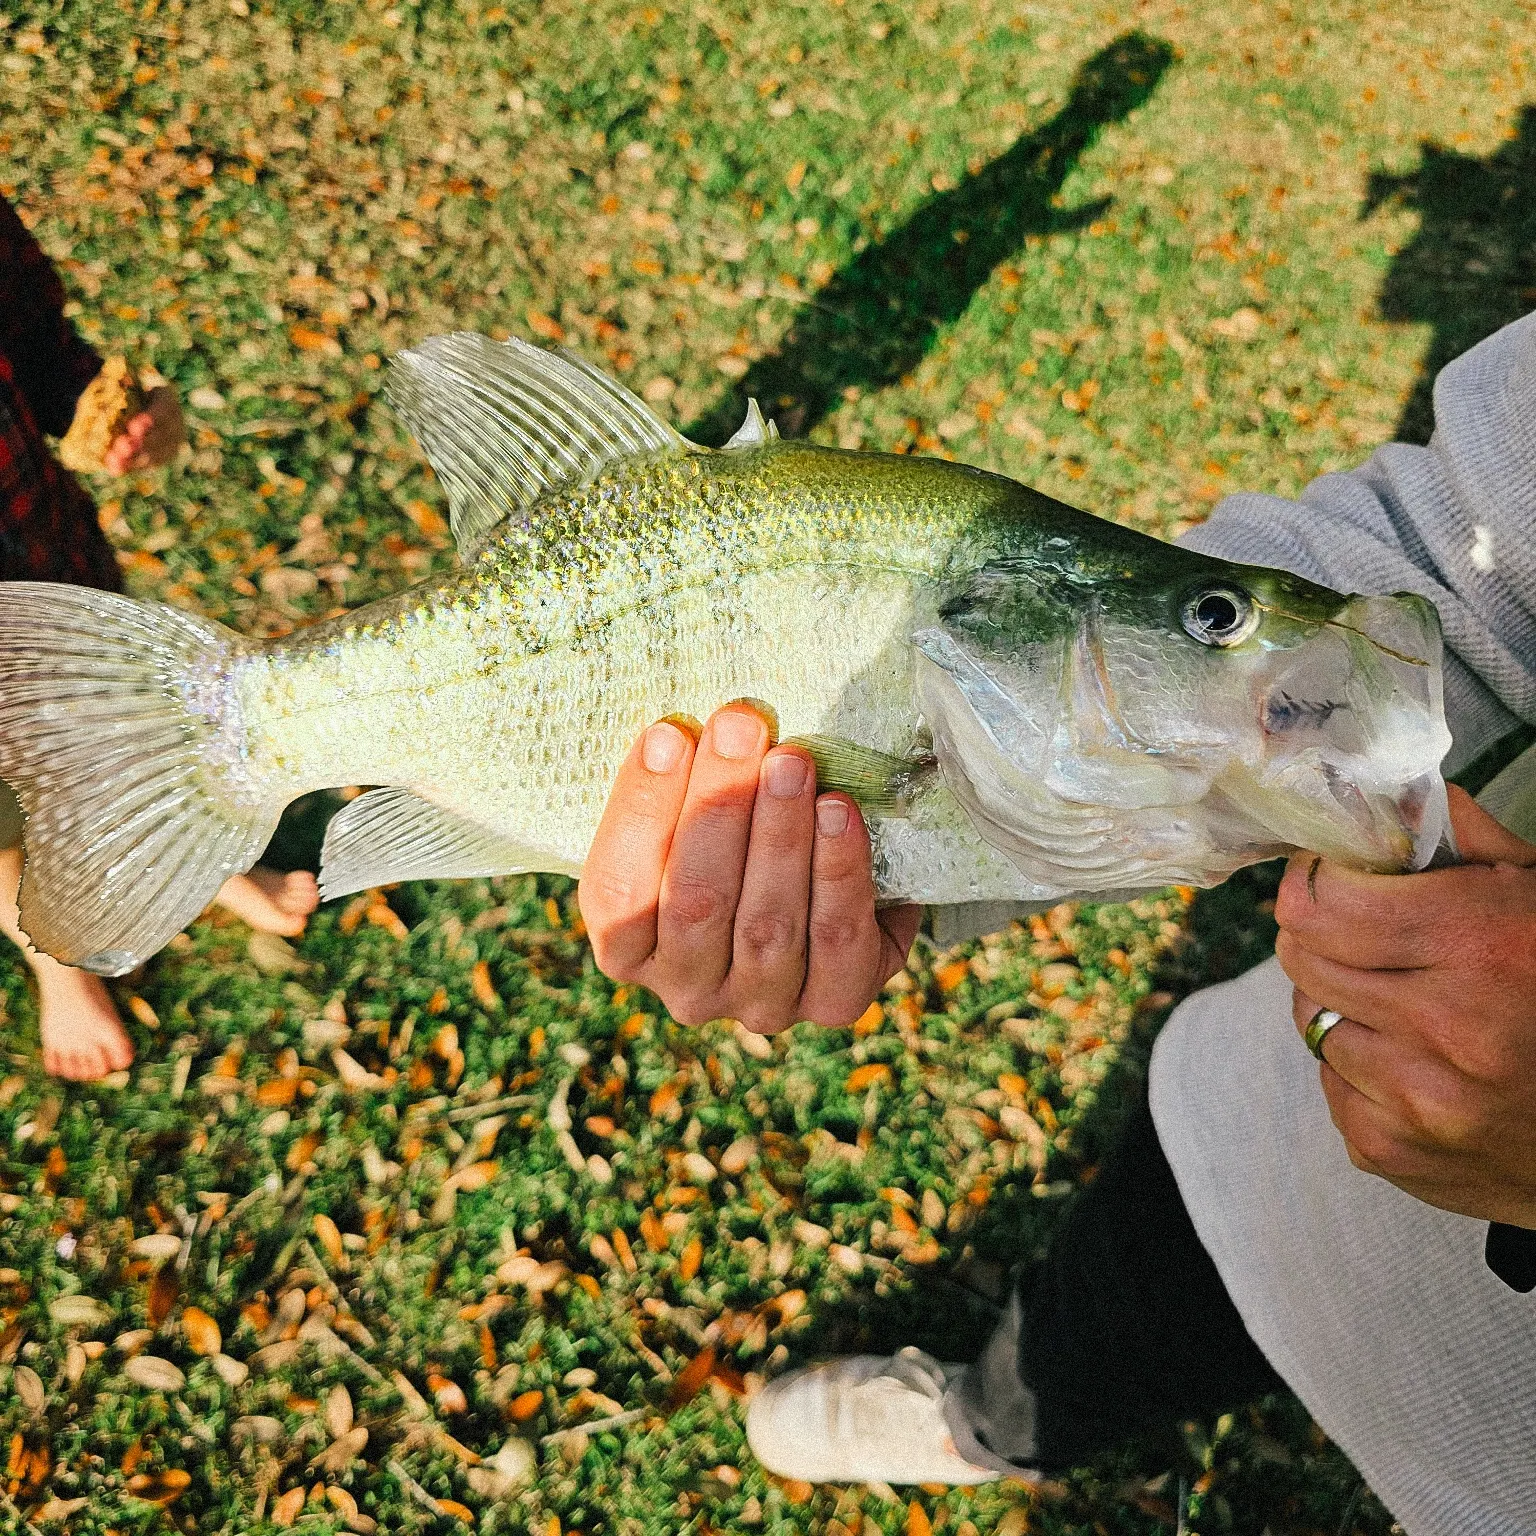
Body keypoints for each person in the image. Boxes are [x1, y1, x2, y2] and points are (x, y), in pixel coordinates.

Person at [579, 310, 1536, 1532]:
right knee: (1120, 1304)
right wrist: (898, 864)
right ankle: (982, 1423)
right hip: (1278, 1120)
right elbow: (1465, 550)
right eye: (1218, 623)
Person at [0, 195, 319, 1081]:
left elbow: (37, 340)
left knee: (119, 727)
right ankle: (55, 959)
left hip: (44, 560)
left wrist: (111, 412)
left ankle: (203, 868)